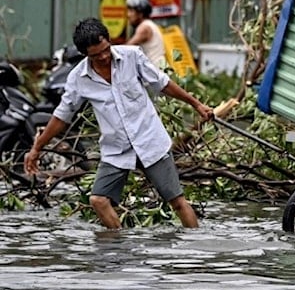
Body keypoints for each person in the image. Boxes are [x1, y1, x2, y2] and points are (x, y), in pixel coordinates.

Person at [25, 17, 214, 229]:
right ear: (85, 54)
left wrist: (197, 105)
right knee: (98, 200)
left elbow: (163, 84)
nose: (104, 57)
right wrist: (37, 148)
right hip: (117, 150)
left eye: (106, 49)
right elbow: (62, 116)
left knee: (177, 202)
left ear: (109, 40)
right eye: (96, 55)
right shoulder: (78, 78)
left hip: (150, 141)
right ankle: (121, 251)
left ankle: (195, 253)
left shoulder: (132, 56)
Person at [125, 0, 166, 66]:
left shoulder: (144, 28)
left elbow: (127, 47)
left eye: (131, 11)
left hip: (154, 71)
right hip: (156, 69)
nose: (128, 15)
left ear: (140, 14)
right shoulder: (149, 24)